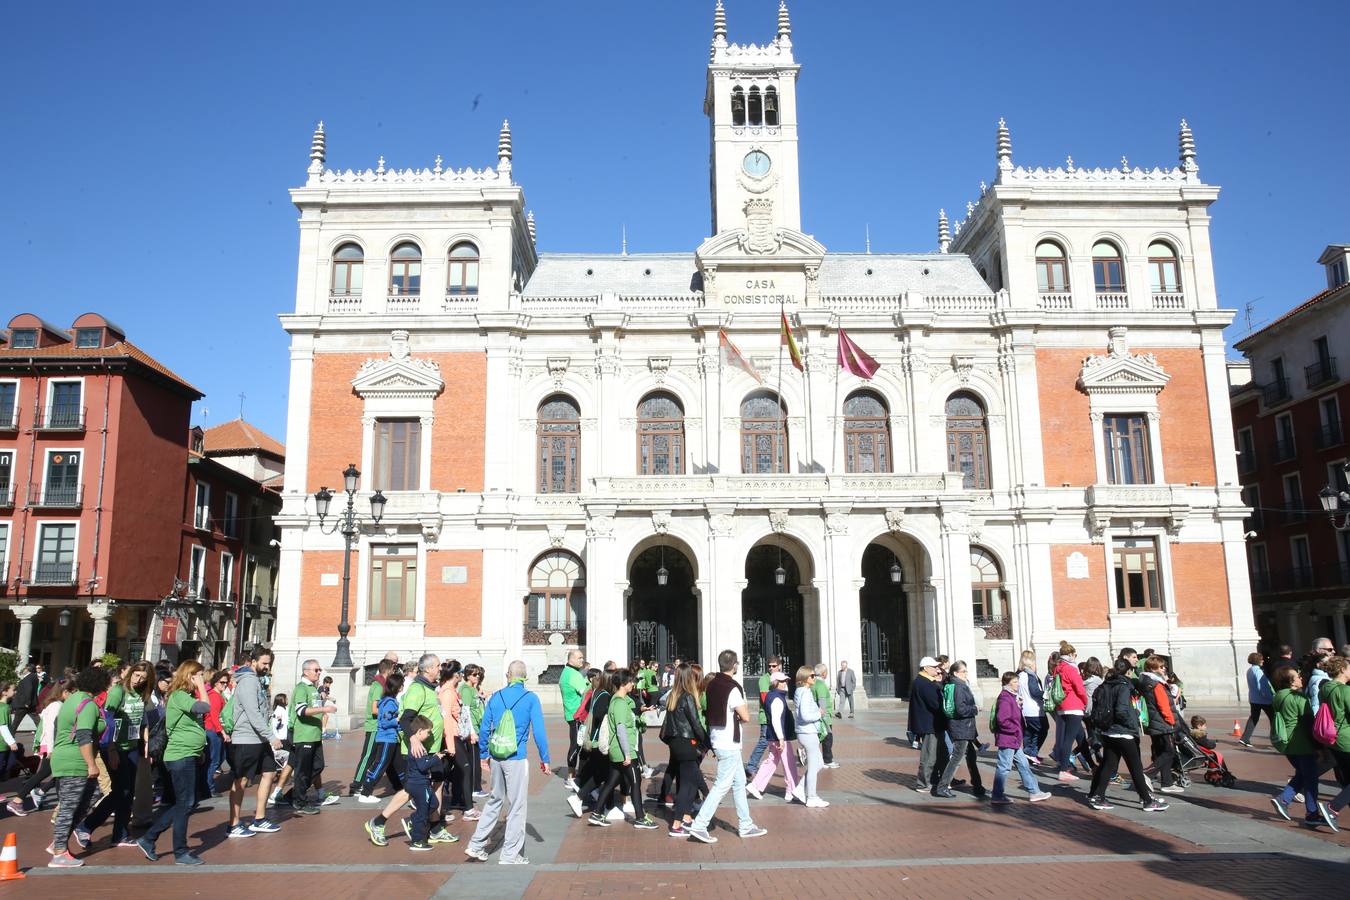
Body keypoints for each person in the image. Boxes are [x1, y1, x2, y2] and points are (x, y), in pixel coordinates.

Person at [464, 660, 551, 864]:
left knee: (495, 800)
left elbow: (485, 727)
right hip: (516, 756)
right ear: (525, 677)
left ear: (508, 675)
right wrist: (544, 758)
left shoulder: (496, 697)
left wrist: (484, 752)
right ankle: (511, 854)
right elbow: (538, 731)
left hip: (496, 755)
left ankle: (476, 844)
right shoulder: (531, 698)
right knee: (517, 805)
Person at [136, 661, 210, 866]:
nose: (202, 680)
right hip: (180, 756)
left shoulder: (184, 697)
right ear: (190, 676)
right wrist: (202, 687)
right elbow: (205, 707)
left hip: (188, 755)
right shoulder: (179, 696)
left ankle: (149, 838)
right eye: (199, 676)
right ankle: (180, 851)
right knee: (185, 803)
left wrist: (199, 750)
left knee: (184, 803)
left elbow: (193, 723)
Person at [366, 653, 446, 844]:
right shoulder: (418, 689)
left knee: (436, 783)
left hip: (429, 749)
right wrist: (414, 739)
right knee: (411, 789)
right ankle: (379, 822)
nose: (440, 669)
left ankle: (434, 828)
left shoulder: (429, 688)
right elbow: (405, 718)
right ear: (426, 669)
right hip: (416, 751)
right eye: (437, 666)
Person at [687, 650, 766, 844]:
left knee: (739, 783)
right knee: (722, 784)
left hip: (717, 737)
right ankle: (699, 824)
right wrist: (740, 716)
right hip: (728, 741)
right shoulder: (732, 687)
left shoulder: (712, 684)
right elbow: (746, 716)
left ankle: (746, 824)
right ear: (735, 665)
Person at [78, 660, 152, 847]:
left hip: (132, 746)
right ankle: (86, 825)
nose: (138, 680)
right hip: (114, 747)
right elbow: (107, 719)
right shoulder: (118, 691)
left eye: (143, 678)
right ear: (130, 673)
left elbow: (141, 720)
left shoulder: (141, 694)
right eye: (136, 675)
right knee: (120, 791)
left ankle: (120, 833)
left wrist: (145, 743)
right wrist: (111, 748)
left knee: (128, 793)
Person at [47, 667, 111, 868]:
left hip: (69, 758)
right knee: (69, 805)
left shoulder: (74, 699)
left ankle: (60, 840)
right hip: (75, 761)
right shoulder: (87, 705)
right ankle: (59, 852)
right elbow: (83, 735)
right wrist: (91, 764)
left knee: (90, 797)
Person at [1086, 658, 1166, 812]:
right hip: (1123, 732)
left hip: (1109, 731)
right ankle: (1147, 800)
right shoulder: (1123, 687)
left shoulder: (1106, 684)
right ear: (1128, 672)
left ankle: (1097, 796)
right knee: (1135, 768)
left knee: (1108, 765)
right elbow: (1121, 711)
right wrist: (1133, 720)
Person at [587, 668, 657, 829]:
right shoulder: (618, 702)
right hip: (623, 751)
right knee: (635, 781)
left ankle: (597, 813)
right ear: (624, 683)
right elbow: (620, 728)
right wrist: (627, 753)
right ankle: (640, 817)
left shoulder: (619, 700)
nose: (633, 684)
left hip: (619, 750)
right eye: (631, 681)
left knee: (611, 782)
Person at [226, 648, 282, 837]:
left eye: (269, 664)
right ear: (253, 661)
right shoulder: (249, 681)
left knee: (269, 772)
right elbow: (252, 712)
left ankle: (259, 818)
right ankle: (233, 824)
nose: (267, 667)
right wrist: (271, 736)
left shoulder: (257, 681)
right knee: (241, 780)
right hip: (246, 738)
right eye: (264, 663)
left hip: (258, 738)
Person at [1269, 666, 1334, 829]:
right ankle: (1309, 812)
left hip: (1287, 743)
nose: (1300, 677)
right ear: (1289, 681)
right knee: (1310, 780)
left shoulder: (1278, 696)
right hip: (1302, 743)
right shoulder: (1298, 698)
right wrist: (1319, 747)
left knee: (1303, 775)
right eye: (1296, 676)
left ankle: (1285, 800)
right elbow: (1308, 723)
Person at [7, 679, 68, 817]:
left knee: (58, 774)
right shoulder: (56, 706)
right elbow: (50, 728)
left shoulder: (55, 704)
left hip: (51, 745)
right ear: (64, 692)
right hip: (51, 745)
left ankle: (39, 793)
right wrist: (51, 749)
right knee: (45, 774)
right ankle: (18, 800)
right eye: (72, 691)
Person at [661, 665, 710, 837]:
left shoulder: (673, 695)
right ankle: (676, 824)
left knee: (689, 780)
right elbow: (695, 723)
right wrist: (707, 741)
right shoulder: (688, 697)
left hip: (676, 743)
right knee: (687, 786)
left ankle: (687, 817)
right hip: (687, 743)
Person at [990, 671, 1050, 804]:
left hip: (1013, 740)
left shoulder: (1012, 697)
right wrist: (1016, 731)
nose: (1018, 684)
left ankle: (1034, 792)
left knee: (1023, 765)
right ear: (1008, 683)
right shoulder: (1005, 698)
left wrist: (1019, 705)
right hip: (1008, 738)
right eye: (1015, 682)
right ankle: (997, 795)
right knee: (1004, 767)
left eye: (1017, 681)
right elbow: (1002, 720)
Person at [287, 659, 338, 814]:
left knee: (318, 765)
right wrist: (325, 708)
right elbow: (301, 711)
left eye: (319, 670)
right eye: (316, 670)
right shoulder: (301, 688)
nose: (319, 672)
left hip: (314, 735)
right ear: (306, 671)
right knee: (303, 770)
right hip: (304, 735)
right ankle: (300, 802)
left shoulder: (313, 688)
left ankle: (295, 794)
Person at [746, 670, 800, 802]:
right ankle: (792, 790)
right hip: (778, 737)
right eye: (782, 681)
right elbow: (776, 720)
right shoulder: (777, 698)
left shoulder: (772, 695)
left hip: (773, 735)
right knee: (789, 763)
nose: (785, 683)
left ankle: (755, 785)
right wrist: (781, 738)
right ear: (775, 683)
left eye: (785, 681)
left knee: (771, 761)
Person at [933, 660, 984, 799]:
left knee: (971, 757)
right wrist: (975, 708)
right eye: (964, 671)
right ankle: (942, 787)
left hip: (963, 727)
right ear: (956, 673)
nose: (966, 674)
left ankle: (978, 785)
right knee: (956, 758)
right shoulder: (959, 687)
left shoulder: (952, 684)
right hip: (962, 727)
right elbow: (961, 709)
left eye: (966, 671)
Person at [403, 716, 452, 851]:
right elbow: (422, 766)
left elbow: (423, 763)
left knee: (434, 804)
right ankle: (417, 840)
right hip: (419, 784)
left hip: (422, 783)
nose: (429, 734)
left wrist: (435, 756)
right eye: (428, 732)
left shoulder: (421, 747)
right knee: (423, 812)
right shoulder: (418, 748)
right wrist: (435, 758)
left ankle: (413, 820)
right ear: (419, 731)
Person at [359, 669, 405, 807]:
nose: (403, 686)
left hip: (392, 738)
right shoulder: (389, 702)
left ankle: (403, 788)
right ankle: (365, 793)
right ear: (398, 686)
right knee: (380, 765)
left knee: (397, 766)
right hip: (386, 739)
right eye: (402, 684)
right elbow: (385, 722)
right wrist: (398, 720)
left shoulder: (390, 701)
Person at [351, 659, 396, 796]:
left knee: (380, 758)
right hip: (374, 727)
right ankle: (356, 785)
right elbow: (374, 709)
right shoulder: (378, 686)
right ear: (388, 670)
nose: (394, 672)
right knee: (368, 756)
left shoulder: (382, 685)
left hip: (380, 728)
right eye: (394, 669)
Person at [1140, 655, 1183, 794]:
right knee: (1169, 752)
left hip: (1155, 723)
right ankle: (1147, 773)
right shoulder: (1156, 684)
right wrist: (1171, 721)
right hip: (1163, 724)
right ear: (1153, 668)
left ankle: (1167, 782)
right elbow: (1163, 705)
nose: (1164, 669)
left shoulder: (1147, 681)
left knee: (1161, 752)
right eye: (1161, 667)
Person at [1048, 641, 1088, 781]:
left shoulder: (1057, 668)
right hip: (1074, 705)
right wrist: (1085, 701)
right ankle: (1064, 769)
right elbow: (1080, 688)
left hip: (1062, 706)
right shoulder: (1071, 669)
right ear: (1070, 654)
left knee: (1079, 737)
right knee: (1069, 739)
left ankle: (1091, 764)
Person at [1316, 656, 1348, 828]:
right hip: (1346, 738)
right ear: (1342, 669)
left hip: (1331, 738)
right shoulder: (1344, 690)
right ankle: (1332, 807)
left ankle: (1333, 810)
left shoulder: (1325, 688)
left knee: (1346, 781)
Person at [908, 656, 948, 793]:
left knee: (940, 754)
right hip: (930, 724)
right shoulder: (924, 683)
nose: (938, 670)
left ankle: (939, 779)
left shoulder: (924, 681)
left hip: (933, 724)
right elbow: (935, 704)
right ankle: (923, 783)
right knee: (929, 755)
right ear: (925, 668)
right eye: (934, 667)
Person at [792, 665, 828, 808]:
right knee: (813, 766)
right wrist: (819, 713)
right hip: (808, 732)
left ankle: (800, 788)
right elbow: (805, 715)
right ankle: (812, 796)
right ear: (805, 678)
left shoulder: (799, 691)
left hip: (804, 732)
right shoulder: (805, 692)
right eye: (812, 676)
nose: (815, 678)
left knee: (819, 763)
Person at [437, 660, 467, 815]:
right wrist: (450, 744)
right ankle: (466, 807)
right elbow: (446, 717)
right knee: (462, 769)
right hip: (451, 735)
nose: (462, 675)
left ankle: (455, 801)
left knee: (446, 772)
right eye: (461, 672)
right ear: (456, 674)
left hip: (455, 734)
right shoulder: (448, 692)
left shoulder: (451, 690)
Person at [745, 655, 782, 777]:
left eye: (774, 666)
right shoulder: (764, 679)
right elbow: (766, 699)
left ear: (779, 666)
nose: (771, 668)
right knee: (764, 742)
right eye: (769, 666)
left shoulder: (781, 678)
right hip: (767, 717)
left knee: (778, 743)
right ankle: (751, 766)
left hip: (777, 716)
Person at [457, 664, 486, 816]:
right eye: (474, 675)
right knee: (473, 759)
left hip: (478, 726)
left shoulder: (474, 689)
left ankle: (477, 786)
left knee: (477, 757)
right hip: (471, 729)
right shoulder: (466, 689)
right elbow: (466, 710)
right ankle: (475, 787)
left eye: (478, 675)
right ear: (467, 675)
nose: (477, 677)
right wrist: (472, 731)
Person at [560, 649, 588, 791]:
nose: (582, 660)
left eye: (582, 658)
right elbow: (586, 692)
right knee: (577, 745)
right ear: (571, 659)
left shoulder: (566, 672)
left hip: (572, 714)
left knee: (577, 744)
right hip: (577, 716)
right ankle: (571, 777)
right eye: (579, 658)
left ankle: (575, 774)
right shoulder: (574, 674)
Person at [1015, 650, 1047, 764]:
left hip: (1025, 709)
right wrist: (1046, 694)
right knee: (1043, 730)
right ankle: (1030, 752)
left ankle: (1028, 754)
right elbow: (1034, 692)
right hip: (1035, 709)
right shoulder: (1030, 675)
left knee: (1029, 732)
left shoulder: (1019, 675)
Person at [202, 669, 229, 797]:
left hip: (214, 730)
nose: (224, 684)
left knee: (218, 758)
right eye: (222, 682)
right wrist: (222, 732)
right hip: (212, 730)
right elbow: (214, 716)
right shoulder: (214, 696)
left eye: (226, 682)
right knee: (214, 760)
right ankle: (208, 787)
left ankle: (207, 785)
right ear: (215, 682)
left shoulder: (217, 695)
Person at [812, 663, 839, 768]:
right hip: (824, 716)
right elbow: (822, 701)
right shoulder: (821, 685)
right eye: (826, 672)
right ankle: (827, 760)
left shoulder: (813, 683)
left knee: (819, 738)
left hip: (816, 715)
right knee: (828, 738)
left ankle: (817, 758)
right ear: (823, 674)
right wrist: (825, 718)